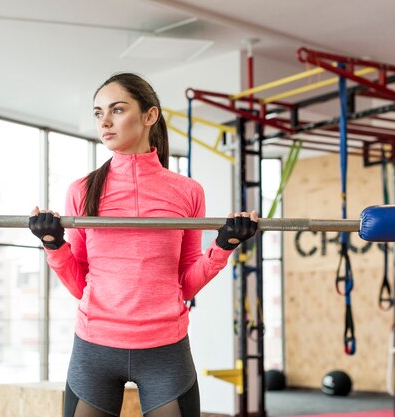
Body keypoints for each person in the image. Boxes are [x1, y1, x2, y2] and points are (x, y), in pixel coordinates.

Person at [29, 72, 258, 417]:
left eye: (117, 110)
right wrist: (52, 243)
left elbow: (185, 284)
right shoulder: (83, 189)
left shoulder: (186, 191)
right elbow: (79, 285)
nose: (104, 122)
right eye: (98, 113)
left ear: (150, 116)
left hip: (165, 348)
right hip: (95, 346)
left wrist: (223, 246)